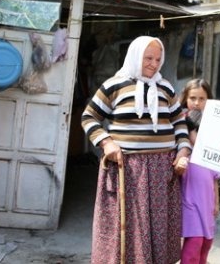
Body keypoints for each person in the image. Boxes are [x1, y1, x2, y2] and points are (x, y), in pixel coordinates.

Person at [82, 35, 192, 264]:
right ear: (135, 56)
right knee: (128, 226)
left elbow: (179, 122)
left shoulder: (166, 87)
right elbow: (89, 117)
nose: (153, 64)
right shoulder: (114, 85)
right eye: (148, 58)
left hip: (162, 170)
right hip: (127, 169)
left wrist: (183, 151)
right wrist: (106, 142)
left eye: (158, 59)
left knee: (158, 227)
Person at [179, 79, 220, 264]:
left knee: (206, 243)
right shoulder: (181, 125)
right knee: (194, 243)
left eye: (202, 99)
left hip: (207, 199)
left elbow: (215, 176)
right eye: (193, 98)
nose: (197, 103)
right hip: (189, 196)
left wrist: (217, 202)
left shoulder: (213, 128)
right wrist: (190, 132)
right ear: (186, 99)